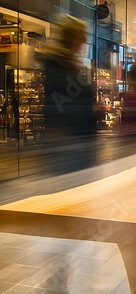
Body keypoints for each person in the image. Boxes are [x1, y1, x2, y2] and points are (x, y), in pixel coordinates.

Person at [43, 14, 97, 174]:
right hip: (69, 143)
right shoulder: (59, 65)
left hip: (77, 141)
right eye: (82, 36)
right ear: (73, 37)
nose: (85, 41)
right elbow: (58, 104)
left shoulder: (69, 65)